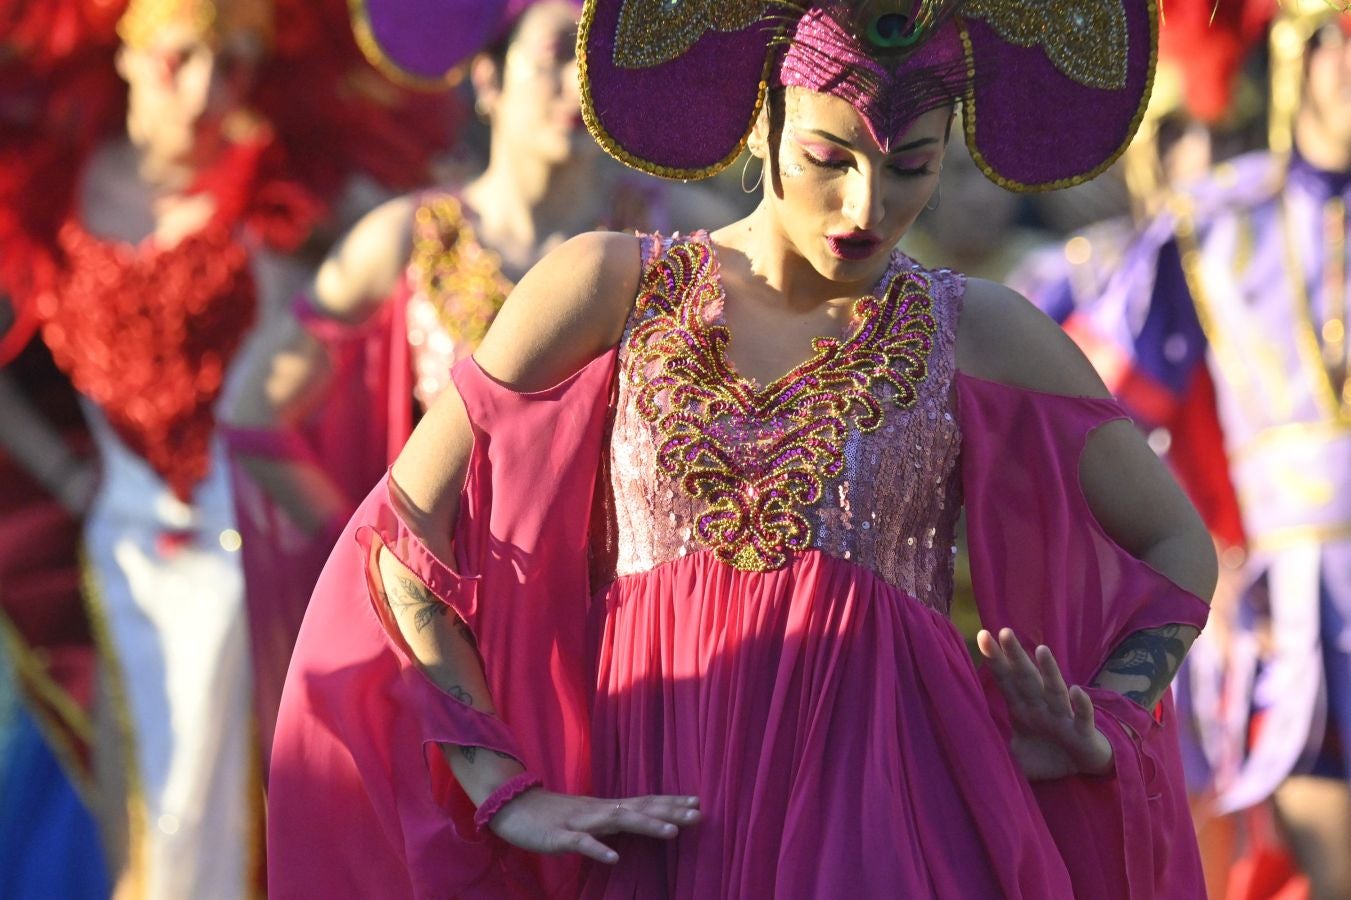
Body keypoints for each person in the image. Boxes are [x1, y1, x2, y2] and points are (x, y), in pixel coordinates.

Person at [268, 1, 1216, 897]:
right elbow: (405, 538)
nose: (866, 204)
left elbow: (1178, 546)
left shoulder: (978, 329)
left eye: (911, 167)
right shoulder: (609, 286)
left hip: (889, 828)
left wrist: (1106, 721)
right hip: (655, 822)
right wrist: (502, 784)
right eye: (826, 156)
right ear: (759, 124)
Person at [0, 0, 452, 894]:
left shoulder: (280, 199)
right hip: (116, 543)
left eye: (234, 66)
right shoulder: (44, 200)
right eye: (181, 60)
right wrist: (70, 476)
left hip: (250, 540)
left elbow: (417, 254)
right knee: (132, 760)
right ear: (124, 57)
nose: (207, 91)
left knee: (236, 757)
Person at [223, 0, 731, 767]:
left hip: (630, 629)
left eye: (604, 61)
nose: (581, 84)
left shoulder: (686, 240)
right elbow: (255, 409)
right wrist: (368, 554)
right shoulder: (406, 236)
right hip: (463, 635)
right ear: (486, 78)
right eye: (560, 53)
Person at [1036, 4, 1351, 897]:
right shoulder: (1210, 225)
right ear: (1295, 52)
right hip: (1290, 626)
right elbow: (1097, 407)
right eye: (1338, 37)